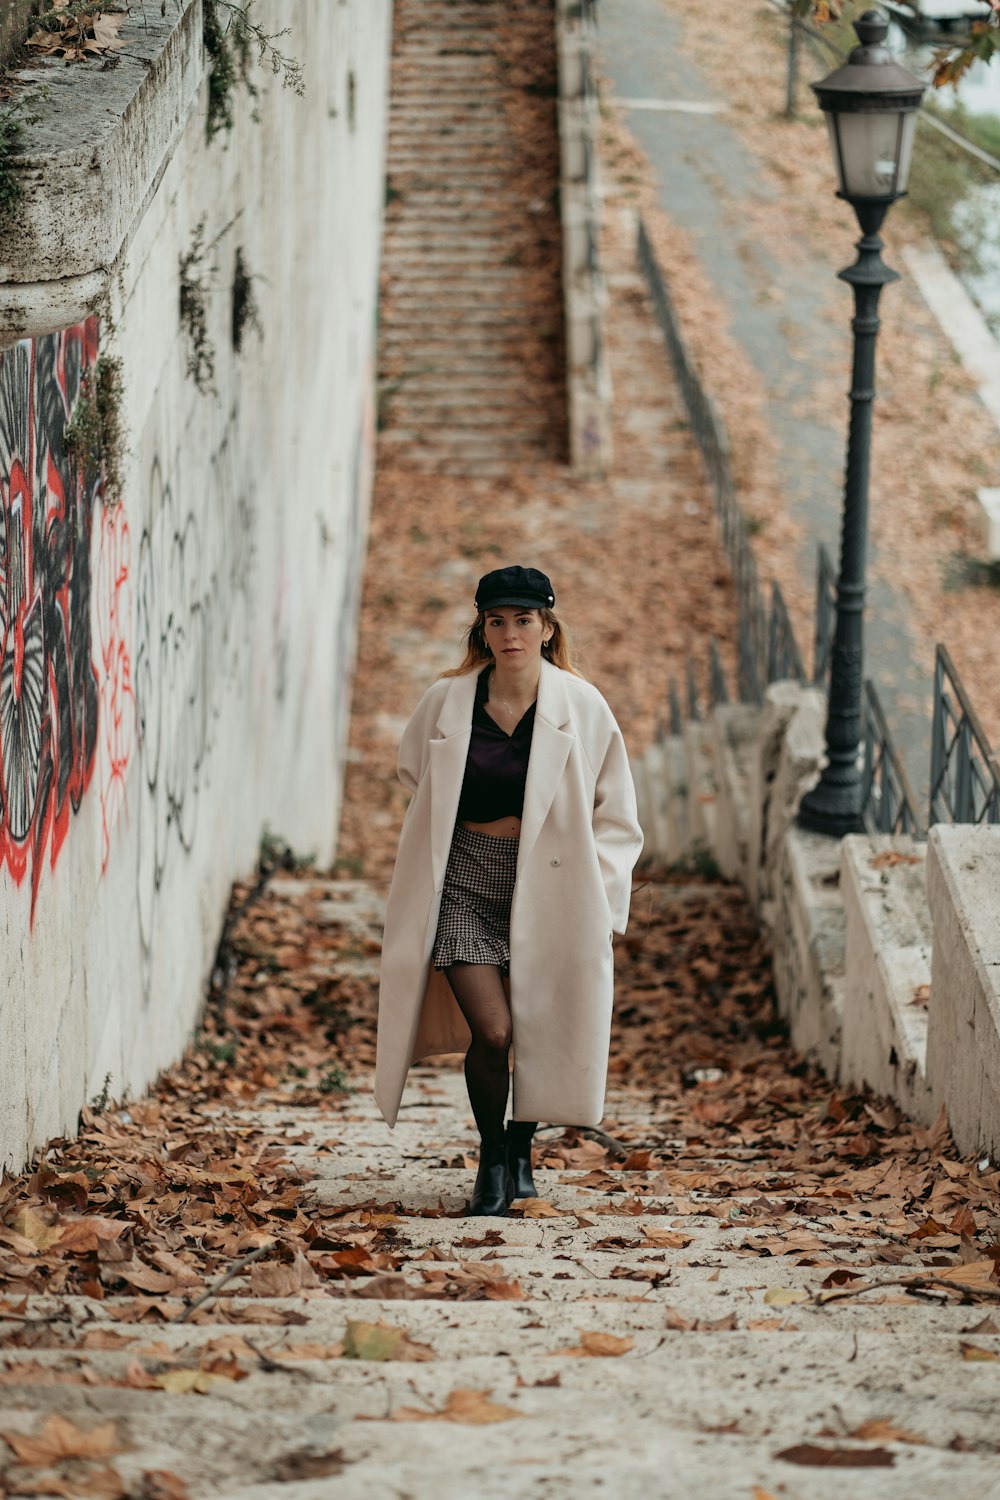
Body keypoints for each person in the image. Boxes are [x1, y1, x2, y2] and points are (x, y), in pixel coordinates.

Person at [374, 566, 643, 1216]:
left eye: (524, 620)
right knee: (492, 1032)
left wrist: (600, 900)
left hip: (551, 886)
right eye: (497, 621)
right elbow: (413, 767)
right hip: (466, 879)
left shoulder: (582, 705)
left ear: (548, 628)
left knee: (540, 1027)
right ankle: (493, 1154)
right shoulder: (449, 699)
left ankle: (521, 1150)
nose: (510, 633)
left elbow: (617, 814)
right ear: (482, 629)